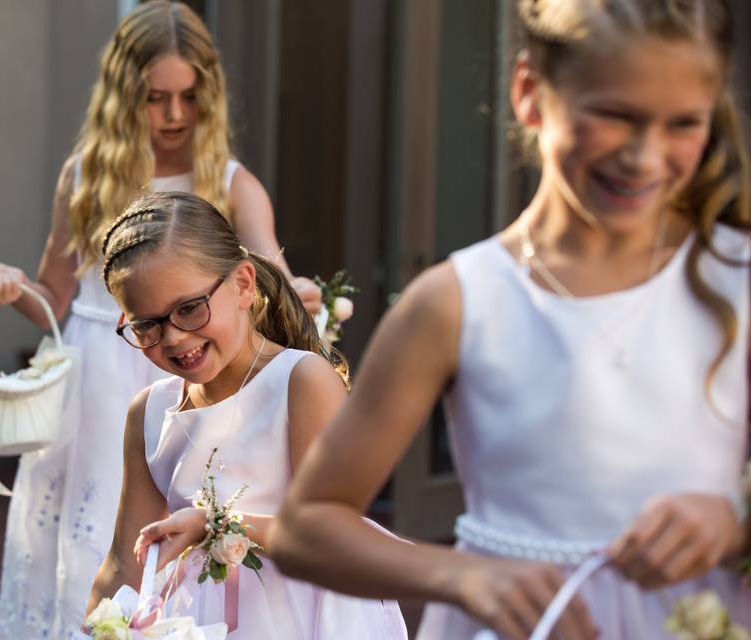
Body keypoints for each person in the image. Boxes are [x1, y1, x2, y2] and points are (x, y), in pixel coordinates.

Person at [271, 1, 751, 638]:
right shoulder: (456, 301)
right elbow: (306, 526)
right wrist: (462, 576)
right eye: (615, 115)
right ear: (530, 92)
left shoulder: (733, 277)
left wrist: (733, 521)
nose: (645, 156)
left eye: (682, 124)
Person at [0, 3, 320, 637]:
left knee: (176, 537)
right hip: (97, 385)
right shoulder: (86, 177)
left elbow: (270, 281)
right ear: (121, 94)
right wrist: (10, 287)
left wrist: (298, 292)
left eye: (190, 96)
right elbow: (52, 301)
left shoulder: (231, 183)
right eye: (156, 97)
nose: (174, 115)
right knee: (94, 555)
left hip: (194, 380)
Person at [84, 192, 407, 639]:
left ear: (242, 284)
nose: (175, 337)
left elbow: (332, 536)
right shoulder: (150, 411)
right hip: (199, 622)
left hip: (300, 621)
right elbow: (124, 560)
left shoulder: (301, 381)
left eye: (189, 308)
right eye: (147, 325)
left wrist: (216, 524)